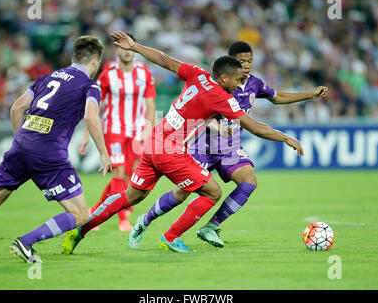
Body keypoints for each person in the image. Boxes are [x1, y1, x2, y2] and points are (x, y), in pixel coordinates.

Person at [62, 31, 303, 254]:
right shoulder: (221, 97)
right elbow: (255, 127)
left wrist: (135, 47)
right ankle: (171, 236)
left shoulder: (197, 74)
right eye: (237, 80)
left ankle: (81, 230)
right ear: (224, 77)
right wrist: (286, 137)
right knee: (212, 192)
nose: (240, 85)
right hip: (170, 150)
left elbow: (165, 60)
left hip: (155, 141)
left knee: (131, 196)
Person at [129, 41, 328, 249]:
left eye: (250, 61)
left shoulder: (254, 84)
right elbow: (200, 111)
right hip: (202, 146)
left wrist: (309, 94)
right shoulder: (218, 83)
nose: (247, 66)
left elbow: (277, 97)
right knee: (182, 193)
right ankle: (146, 220)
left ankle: (211, 227)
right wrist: (219, 127)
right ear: (232, 63)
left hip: (229, 149)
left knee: (248, 180)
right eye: (242, 61)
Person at [0, 36, 111, 263]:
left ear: (74, 57)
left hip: (21, 146)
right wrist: (103, 152)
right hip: (49, 154)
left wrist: (20, 140)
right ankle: (26, 242)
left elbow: (17, 108)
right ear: (95, 62)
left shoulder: (46, 77)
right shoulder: (90, 85)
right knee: (80, 214)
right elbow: (91, 116)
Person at [78, 33, 156, 232]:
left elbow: (150, 105)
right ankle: (123, 220)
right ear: (116, 50)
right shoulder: (108, 73)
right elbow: (96, 106)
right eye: (121, 48)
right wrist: (87, 136)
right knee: (119, 173)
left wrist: (150, 132)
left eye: (128, 47)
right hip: (114, 128)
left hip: (137, 130)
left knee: (130, 177)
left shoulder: (143, 72)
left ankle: (94, 211)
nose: (126, 51)